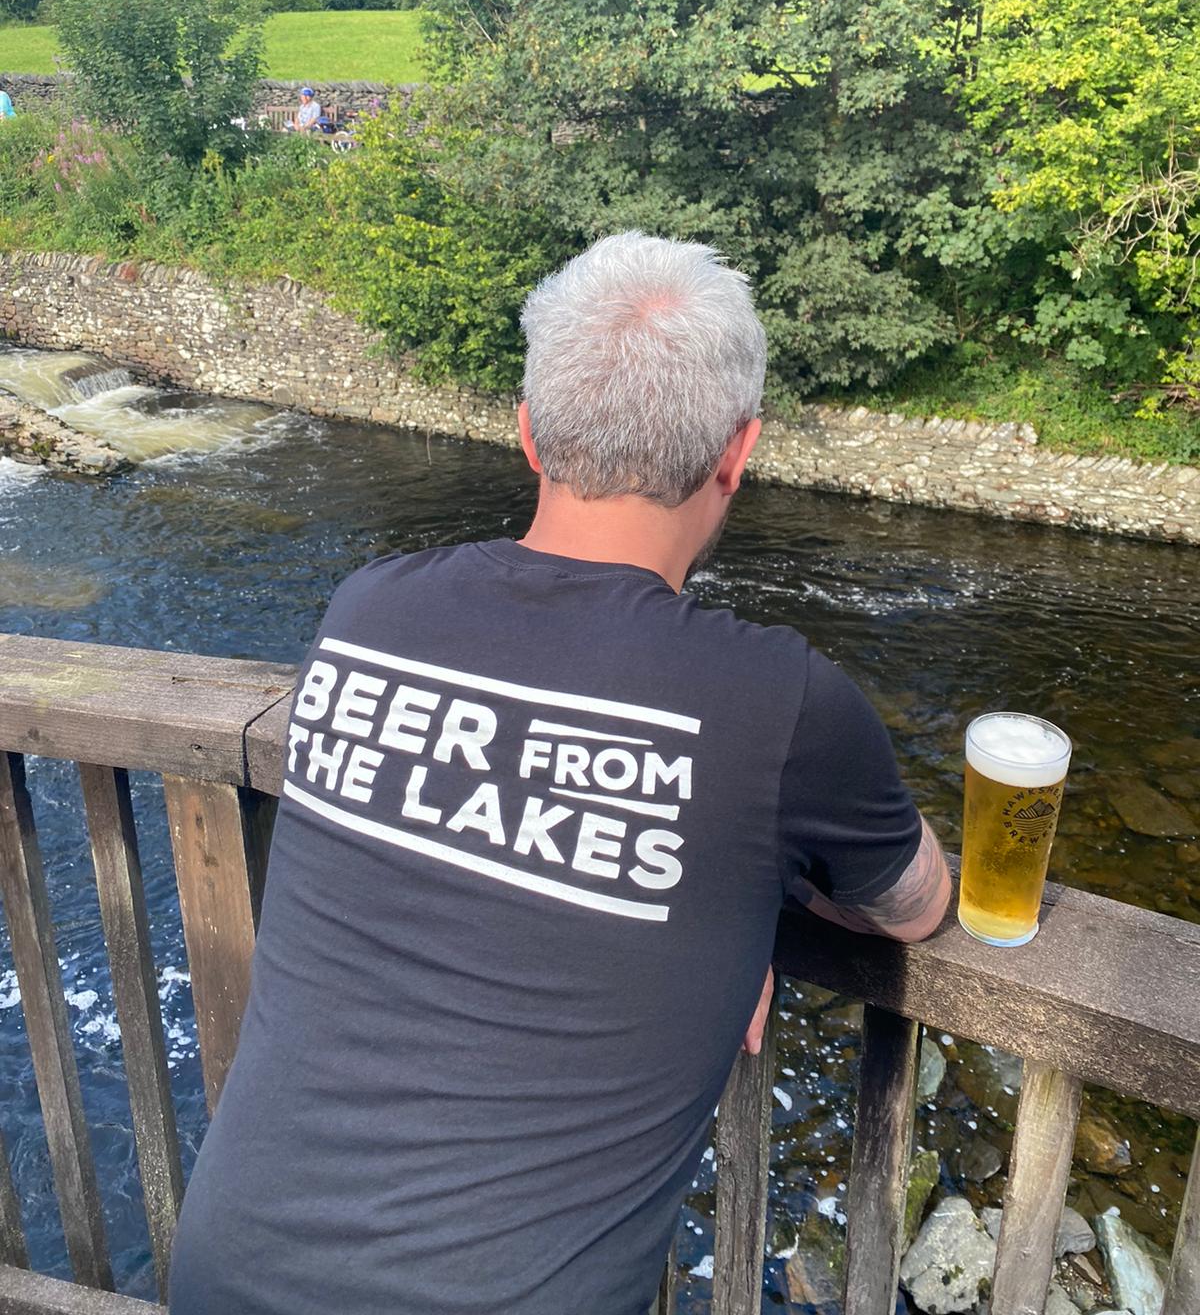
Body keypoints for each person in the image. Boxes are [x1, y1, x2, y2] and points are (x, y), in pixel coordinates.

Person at [168, 231, 951, 1315]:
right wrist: (731, 892)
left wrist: (713, 898)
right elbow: (916, 906)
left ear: (529, 431)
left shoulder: (369, 609)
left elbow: (459, 810)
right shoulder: (784, 701)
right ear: (739, 452)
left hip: (225, 1274)